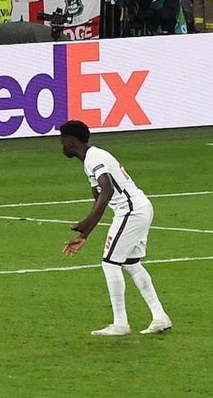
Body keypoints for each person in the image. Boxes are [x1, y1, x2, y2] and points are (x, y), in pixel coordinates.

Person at [58, 120, 173, 337]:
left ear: (71, 142)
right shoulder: (91, 159)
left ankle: (120, 323)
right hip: (138, 208)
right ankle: (160, 317)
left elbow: (108, 189)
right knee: (131, 263)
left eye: (63, 142)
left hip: (131, 211)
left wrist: (87, 222)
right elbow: (98, 197)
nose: (61, 146)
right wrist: (85, 233)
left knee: (110, 263)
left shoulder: (94, 158)